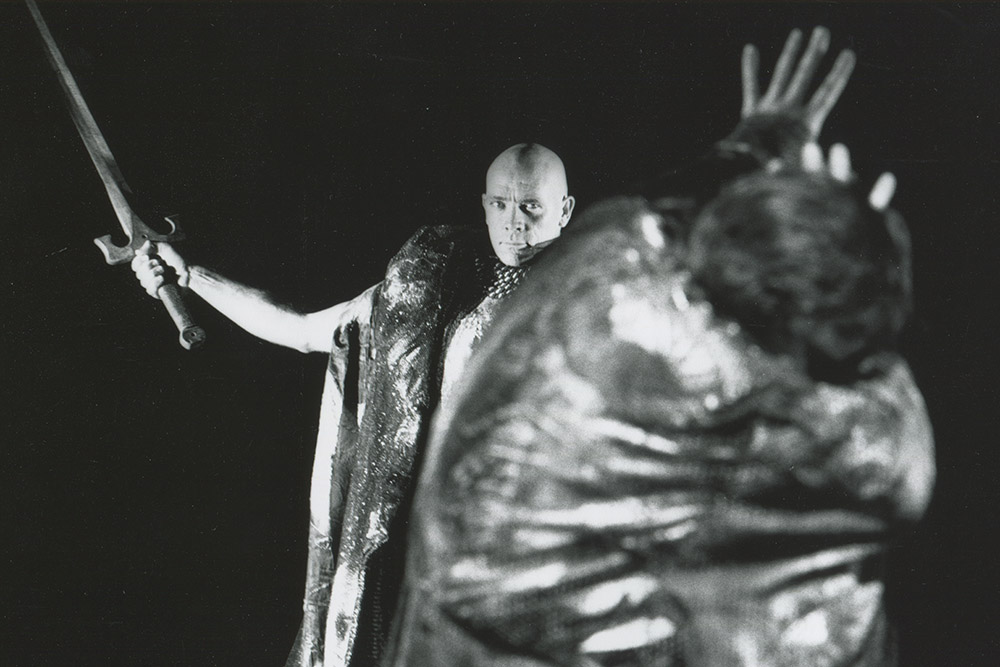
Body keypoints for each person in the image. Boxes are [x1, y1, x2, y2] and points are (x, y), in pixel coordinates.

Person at [384, 50, 934, 667]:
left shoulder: (585, 306)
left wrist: (750, 149)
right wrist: (864, 248)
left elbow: (636, 223)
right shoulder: (875, 449)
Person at [133, 142, 575, 667]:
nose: (514, 226)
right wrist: (191, 278)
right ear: (482, 205)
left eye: (531, 208)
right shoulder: (428, 284)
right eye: (500, 205)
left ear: (565, 211)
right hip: (415, 553)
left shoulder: (594, 303)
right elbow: (297, 329)